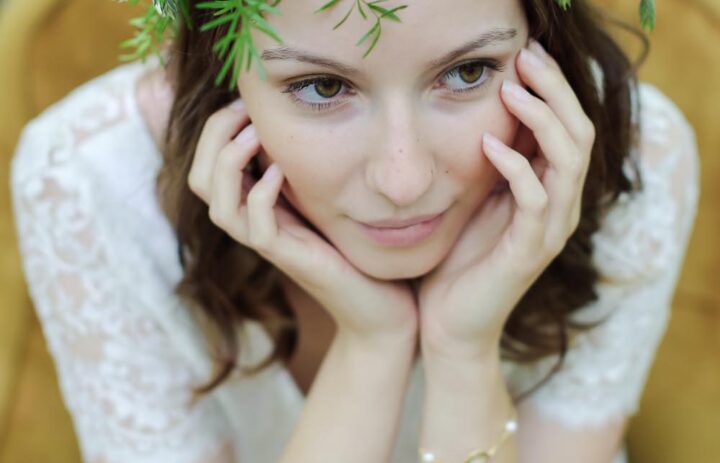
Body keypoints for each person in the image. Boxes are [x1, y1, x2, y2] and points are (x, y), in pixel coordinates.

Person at [9, 0, 700, 462]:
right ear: (222, 77)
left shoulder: (630, 156)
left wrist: (463, 352)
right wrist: (371, 348)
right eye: (321, 87)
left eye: (467, 72)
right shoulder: (87, 179)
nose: (402, 180)